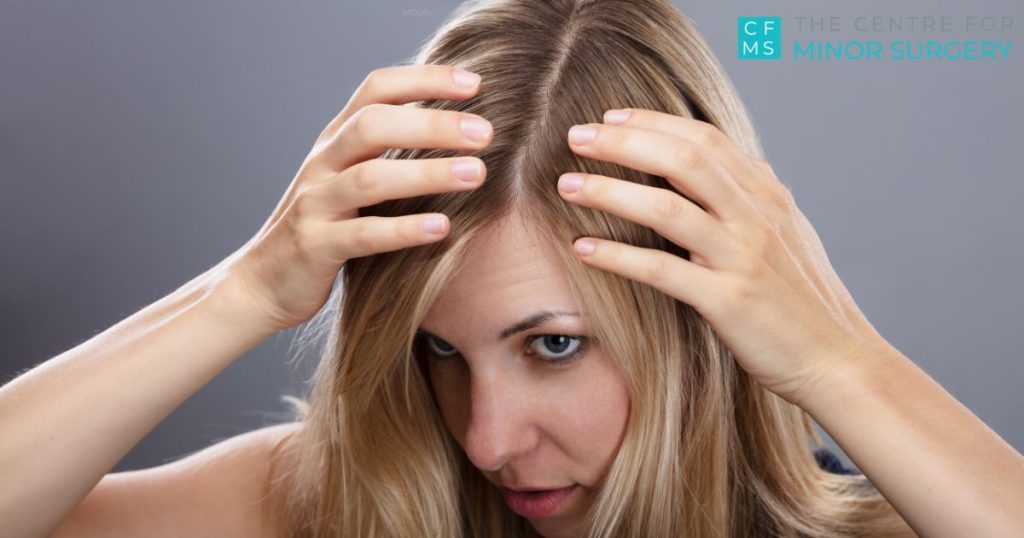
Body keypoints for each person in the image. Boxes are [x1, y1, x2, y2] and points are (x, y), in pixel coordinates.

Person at [2, 0, 1022, 536]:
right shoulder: (343, 500)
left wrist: (838, 362)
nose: (487, 438)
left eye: (552, 344)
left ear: (701, 312)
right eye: (439, 350)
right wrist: (245, 291)